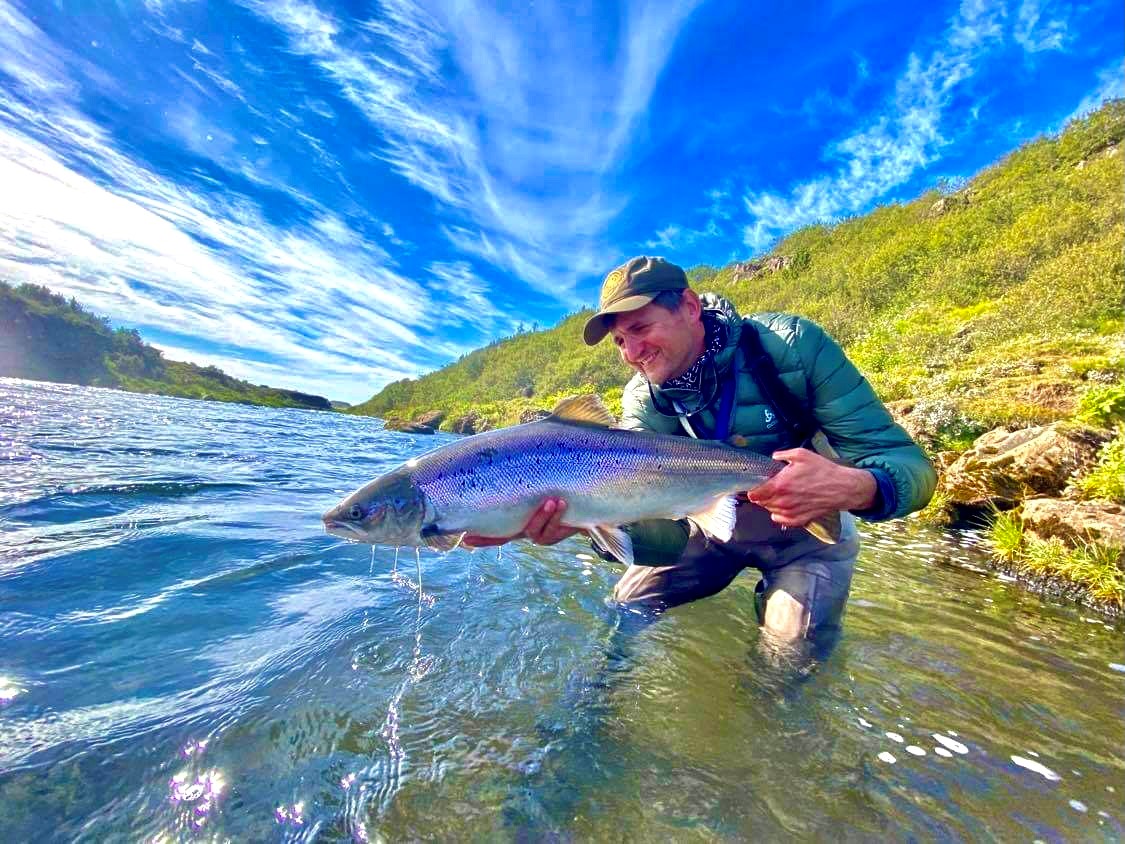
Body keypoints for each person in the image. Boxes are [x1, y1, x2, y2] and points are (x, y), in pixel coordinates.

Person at [464, 256, 935, 653]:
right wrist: (586, 522)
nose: (632, 352)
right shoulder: (645, 401)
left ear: (690, 307)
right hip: (706, 528)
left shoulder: (791, 348)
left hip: (806, 535)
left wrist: (856, 486)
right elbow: (660, 531)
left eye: (640, 328)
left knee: (790, 650)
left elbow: (910, 466)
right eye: (620, 341)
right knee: (625, 609)